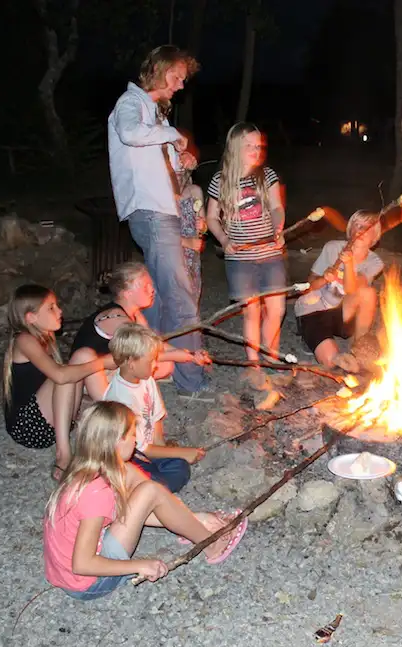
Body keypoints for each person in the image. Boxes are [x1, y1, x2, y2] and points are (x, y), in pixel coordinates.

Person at [43, 401, 247, 601]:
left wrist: (194, 517)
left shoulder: (87, 468)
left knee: (138, 480)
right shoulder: (96, 492)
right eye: (132, 434)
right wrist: (139, 565)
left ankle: (191, 524)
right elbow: (82, 564)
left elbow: (137, 508)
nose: (136, 439)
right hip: (87, 583)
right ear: (116, 442)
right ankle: (212, 546)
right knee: (151, 491)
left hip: (68, 571)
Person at [108, 45, 211, 401]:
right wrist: (171, 136)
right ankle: (191, 379)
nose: (181, 85)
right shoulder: (130, 104)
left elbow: (162, 162)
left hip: (160, 210)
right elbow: (131, 135)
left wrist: (182, 158)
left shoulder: (155, 115)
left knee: (162, 298)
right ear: (161, 69)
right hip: (150, 212)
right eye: (177, 77)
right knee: (180, 296)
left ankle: (156, 368)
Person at [2, 285, 115, 479]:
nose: (60, 311)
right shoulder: (24, 339)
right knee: (68, 370)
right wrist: (102, 362)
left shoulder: (46, 336)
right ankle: (63, 454)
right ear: (31, 318)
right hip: (28, 427)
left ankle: (115, 417)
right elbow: (61, 377)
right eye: (51, 307)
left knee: (83, 355)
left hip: (51, 418)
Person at [206, 122, 286, 387]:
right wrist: (224, 239)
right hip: (240, 258)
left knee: (277, 307)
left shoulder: (268, 175)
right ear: (235, 148)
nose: (255, 150)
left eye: (258, 146)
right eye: (249, 146)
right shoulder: (221, 181)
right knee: (251, 312)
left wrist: (278, 227)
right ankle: (254, 362)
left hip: (270, 251)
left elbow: (276, 207)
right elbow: (211, 218)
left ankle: (269, 354)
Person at [65, 261, 212, 402]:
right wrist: (181, 355)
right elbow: (143, 352)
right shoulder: (117, 319)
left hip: (112, 366)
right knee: (154, 361)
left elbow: (154, 343)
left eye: (151, 285)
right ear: (127, 293)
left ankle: (130, 386)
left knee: (167, 365)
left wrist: (191, 354)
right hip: (90, 374)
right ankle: (111, 399)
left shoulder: (135, 314)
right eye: (145, 287)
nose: (152, 290)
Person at [103, 323, 205, 493]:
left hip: (147, 451)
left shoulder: (147, 379)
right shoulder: (120, 399)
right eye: (151, 361)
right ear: (131, 363)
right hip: (128, 456)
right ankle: (140, 491)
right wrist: (182, 452)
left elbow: (155, 418)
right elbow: (140, 449)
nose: (156, 365)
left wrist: (164, 448)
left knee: (179, 467)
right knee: (157, 478)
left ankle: (147, 488)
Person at [294, 210, 383, 370]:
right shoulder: (332, 248)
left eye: (367, 228)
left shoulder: (374, 262)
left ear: (375, 237)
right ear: (350, 230)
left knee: (368, 293)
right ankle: (312, 337)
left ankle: (360, 346)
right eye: (357, 225)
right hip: (315, 309)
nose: (361, 230)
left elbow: (352, 289)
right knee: (332, 360)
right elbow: (310, 284)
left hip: (342, 312)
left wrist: (348, 264)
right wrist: (324, 279)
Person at [176, 151, 207, 302]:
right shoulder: (163, 196)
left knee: (192, 294)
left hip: (192, 252)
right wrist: (186, 242)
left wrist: (203, 226)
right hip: (173, 250)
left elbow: (204, 224)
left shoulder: (194, 191)